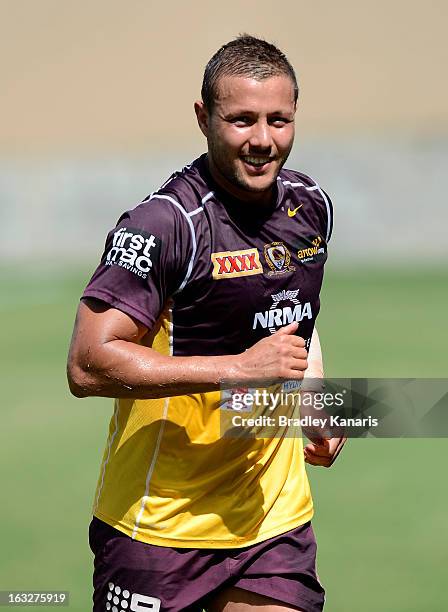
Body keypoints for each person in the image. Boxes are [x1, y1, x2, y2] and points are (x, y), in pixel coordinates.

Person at [67, 34, 345, 612]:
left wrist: (315, 397)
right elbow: (88, 362)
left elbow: (295, 316)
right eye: (242, 120)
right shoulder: (165, 224)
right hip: (160, 528)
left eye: (279, 120)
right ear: (204, 118)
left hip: (274, 520)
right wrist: (239, 370)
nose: (263, 141)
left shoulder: (310, 205)